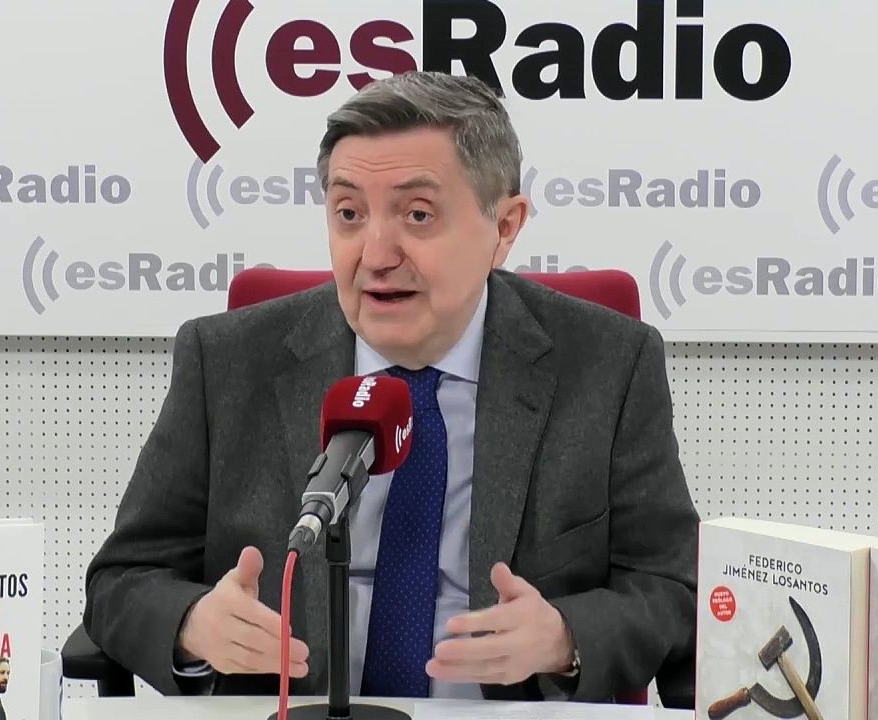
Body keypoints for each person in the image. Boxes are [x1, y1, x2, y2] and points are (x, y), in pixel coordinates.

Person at [83, 70, 699, 704]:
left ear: (505, 227)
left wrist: (567, 636)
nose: (375, 254)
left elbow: (672, 588)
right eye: (349, 214)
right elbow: (120, 582)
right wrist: (192, 625)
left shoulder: (608, 365)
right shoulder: (228, 362)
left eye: (418, 215)